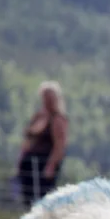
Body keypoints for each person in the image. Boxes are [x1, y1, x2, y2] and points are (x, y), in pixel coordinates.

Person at [17, 80, 69, 209]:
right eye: (45, 97)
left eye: (50, 97)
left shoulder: (58, 119)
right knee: (28, 200)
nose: (47, 100)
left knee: (44, 199)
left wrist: (50, 166)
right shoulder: (39, 116)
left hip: (43, 167)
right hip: (30, 166)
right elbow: (28, 140)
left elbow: (60, 145)